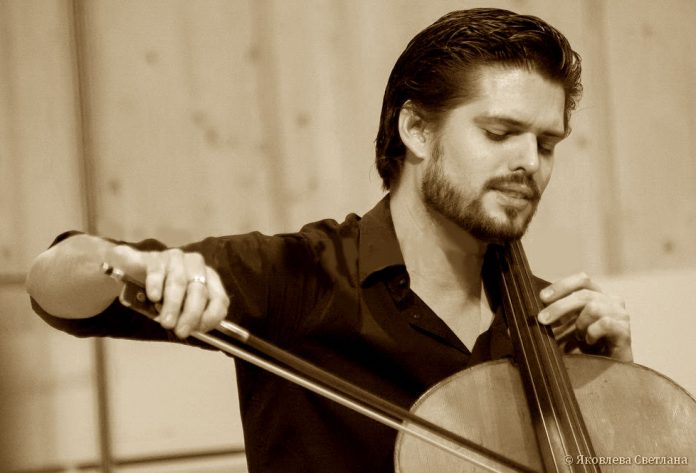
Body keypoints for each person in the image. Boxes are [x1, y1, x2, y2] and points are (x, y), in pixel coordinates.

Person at [26, 8, 631, 473]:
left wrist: (625, 398)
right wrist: (121, 263)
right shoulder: (298, 277)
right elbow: (54, 288)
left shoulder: (550, 326)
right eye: (500, 133)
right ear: (417, 130)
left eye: (547, 144)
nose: (530, 163)